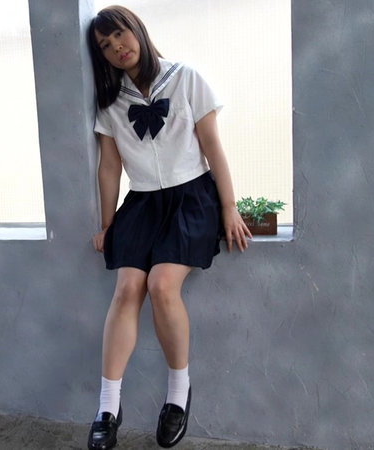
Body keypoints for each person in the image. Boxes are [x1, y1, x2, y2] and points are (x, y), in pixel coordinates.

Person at [86, 5, 252, 450]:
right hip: (142, 205)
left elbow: (212, 145)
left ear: (137, 30)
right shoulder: (111, 102)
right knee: (127, 289)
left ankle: (178, 394)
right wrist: (107, 225)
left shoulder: (186, 77)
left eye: (120, 35)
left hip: (192, 198)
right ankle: (107, 408)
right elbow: (109, 167)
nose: (117, 47)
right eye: (105, 45)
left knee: (161, 285)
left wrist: (230, 207)